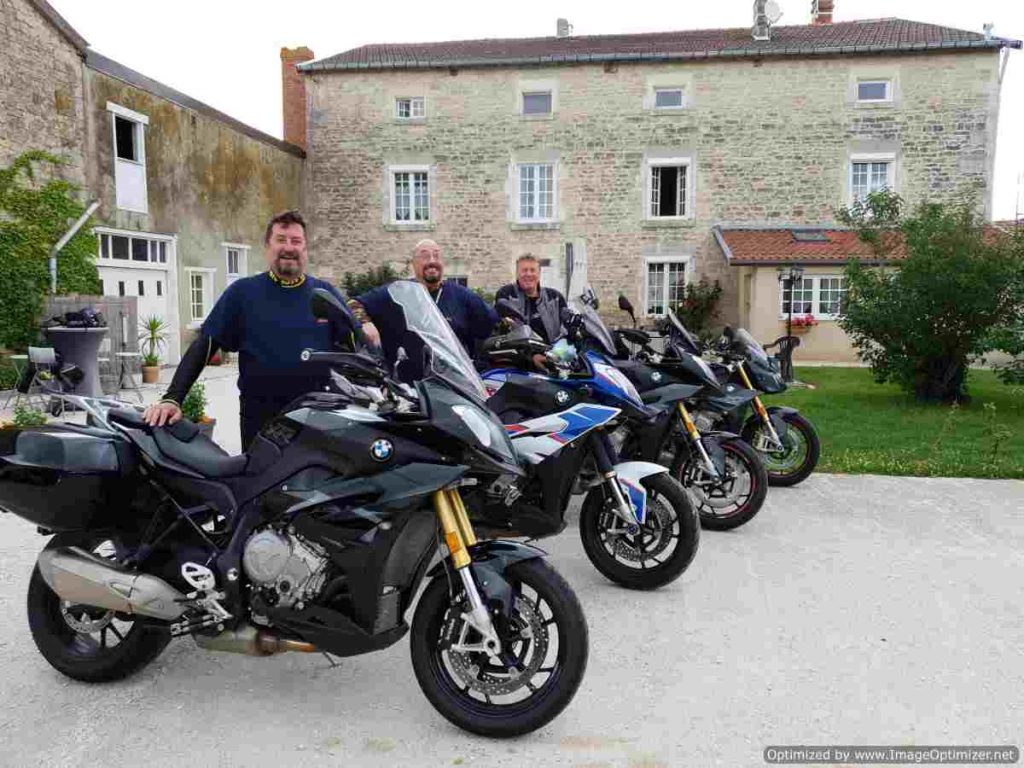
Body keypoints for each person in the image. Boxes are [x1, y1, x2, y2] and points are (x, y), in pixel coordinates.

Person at [142, 210, 357, 449]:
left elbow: (357, 346)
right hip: (261, 421)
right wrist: (173, 398)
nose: (289, 247)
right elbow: (206, 344)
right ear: (267, 247)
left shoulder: (325, 295)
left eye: (296, 241)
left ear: (305, 249)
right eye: (281, 239)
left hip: (317, 419)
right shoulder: (243, 293)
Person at [347, 239, 497, 380]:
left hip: (454, 383)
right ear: (413, 263)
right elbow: (353, 304)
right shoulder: (397, 292)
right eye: (425, 256)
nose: (432, 261)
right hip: (406, 386)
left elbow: (489, 324)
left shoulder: (462, 295)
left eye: (436, 256)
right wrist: (365, 323)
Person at [494, 254, 567, 344]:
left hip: (553, 351)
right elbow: (503, 329)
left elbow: (565, 328)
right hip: (518, 351)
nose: (528, 274)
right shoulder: (506, 294)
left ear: (539, 273)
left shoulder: (555, 297)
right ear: (517, 273)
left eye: (533, 270)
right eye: (524, 270)